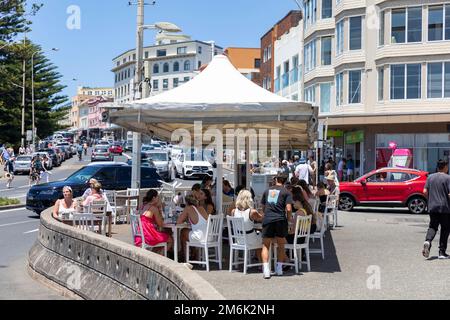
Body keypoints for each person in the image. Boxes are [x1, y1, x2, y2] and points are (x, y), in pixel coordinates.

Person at [260, 174, 292, 279]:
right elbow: (288, 209)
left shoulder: (267, 191)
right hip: (280, 220)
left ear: (276, 180)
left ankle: (266, 270)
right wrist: (289, 218)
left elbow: (263, 208)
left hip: (268, 219)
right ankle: (279, 269)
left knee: (266, 245)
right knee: (281, 245)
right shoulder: (286, 192)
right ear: (284, 181)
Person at [422, 159, 450, 259]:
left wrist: (430, 200)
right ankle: (442, 252)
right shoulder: (448, 178)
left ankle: (428, 241)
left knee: (433, 226)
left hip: (432, 207)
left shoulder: (430, 177)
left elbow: (424, 191)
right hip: (445, 208)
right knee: (445, 229)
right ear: (445, 166)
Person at [134, 189, 173, 254]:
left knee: (163, 235)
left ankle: (154, 255)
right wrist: (160, 208)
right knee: (170, 239)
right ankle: (159, 256)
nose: (159, 198)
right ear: (154, 198)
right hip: (148, 236)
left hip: (139, 235)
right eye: (158, 197)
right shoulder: (153, 208)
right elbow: (160, 224)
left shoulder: (142, 206)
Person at [231, 190, 263, 262]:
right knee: (264, 240)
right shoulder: (252, 212)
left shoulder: (233, 211)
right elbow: (262, 219)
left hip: (239, 240)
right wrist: (261, 210)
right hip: (249, 240)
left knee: (257, 237)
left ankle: (255, 258)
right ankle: (262, 263)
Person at [177, 194, 210, 261]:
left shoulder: (188, 208)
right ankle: (194, 254)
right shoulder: (201, 208)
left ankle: (186, 258)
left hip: (200, 237)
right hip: (209, 236)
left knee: (183, 232)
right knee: (190, 232)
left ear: (186, 202)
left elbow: (178, 222)